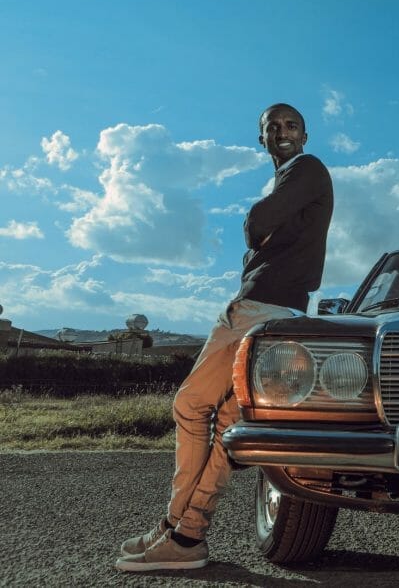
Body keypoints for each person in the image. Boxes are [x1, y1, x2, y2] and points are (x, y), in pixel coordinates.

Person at [117, 103, 334, 571]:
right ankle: (184, 533)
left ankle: (179, 527)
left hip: (259, 307)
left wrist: (255, 228)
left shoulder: (306, 169)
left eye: (290, 125)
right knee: (226, 423)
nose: (281, 131)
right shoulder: (296, 176)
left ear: (305, 135)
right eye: (271, 126)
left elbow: (257, 223)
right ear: (261, 139)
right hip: (285, 309)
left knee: (190, 404)